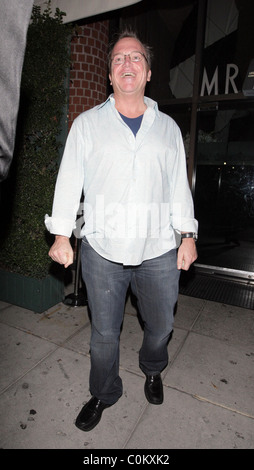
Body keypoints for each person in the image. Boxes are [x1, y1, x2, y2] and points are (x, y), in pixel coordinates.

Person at [45, 30, 198, 432]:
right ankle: (104, 392)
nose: (126, 64)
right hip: (103, 251)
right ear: (110, 76)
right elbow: (68, 180)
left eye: (135, 58)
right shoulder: (87, 125)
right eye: (117, 59)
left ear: (147, 73)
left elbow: (178, 186)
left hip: (159, 249)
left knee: (161, 326)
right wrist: (62, 234)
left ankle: (152, 368)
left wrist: (188, 235)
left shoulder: (167, 129)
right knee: (103, 337)